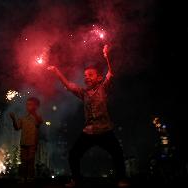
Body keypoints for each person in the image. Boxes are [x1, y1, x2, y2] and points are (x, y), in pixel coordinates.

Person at [48, 45, 128, 187]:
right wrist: (56, 71)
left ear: (98, 78)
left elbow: (111, 72)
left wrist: (107, 56)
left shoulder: (103, 88)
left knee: (117, 153)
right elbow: (68, 85)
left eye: (90, 75)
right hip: (89, 131)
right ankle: (77, 180)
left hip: (104, 130)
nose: (87, 77)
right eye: (85, 76)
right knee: (74, 155)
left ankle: (121, 179)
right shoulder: (83, 93)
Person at [9, 97, 43, 181]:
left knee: (30, 160)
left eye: (31, 104)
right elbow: (17, 128)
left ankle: (30, 177)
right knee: (23, 161)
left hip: (32, 142)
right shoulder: (23, 117)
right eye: (27, 104)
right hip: (23, 142)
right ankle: (22, 177)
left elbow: (39, 122)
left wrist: (34, 113)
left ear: (35, 106)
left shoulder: (37, 116)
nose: (28, 106)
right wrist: (13, 119)